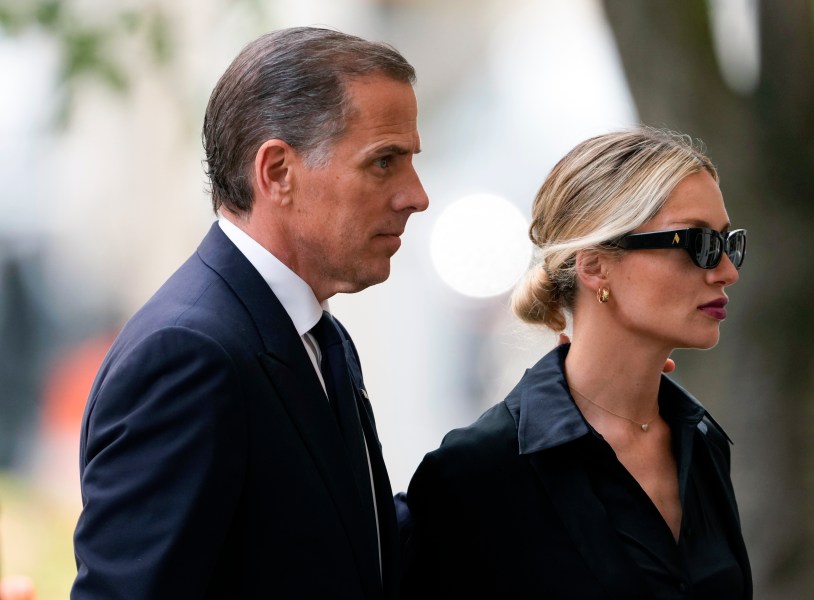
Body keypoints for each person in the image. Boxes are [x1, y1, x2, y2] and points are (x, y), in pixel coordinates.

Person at [71, 27, 428, 599]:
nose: (416, 194)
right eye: (384, 162)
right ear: (278, 172)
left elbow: (341, 554)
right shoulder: (189, 355)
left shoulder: (312, 333)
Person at [401, 128, 751, 598]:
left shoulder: (702, 442)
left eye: (729, 243)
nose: (726, 270)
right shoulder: (474, 473)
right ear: (594, 266)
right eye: (699, 243)